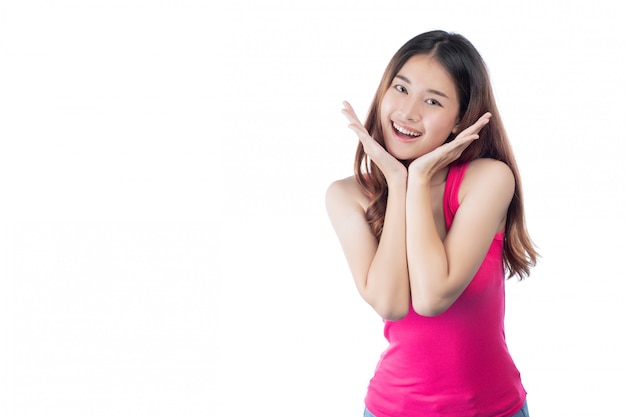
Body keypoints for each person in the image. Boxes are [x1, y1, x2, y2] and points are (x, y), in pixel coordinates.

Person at [325, 30, 538, 417]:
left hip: (494, 410)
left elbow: (431, 297)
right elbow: (390, 303)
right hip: (391, 408)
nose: (408, 112)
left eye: (433, 101)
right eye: (401, 89)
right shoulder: (347, 196)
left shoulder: (488, 180)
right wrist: (397, 181)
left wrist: (418, 178)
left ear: (460, 121)